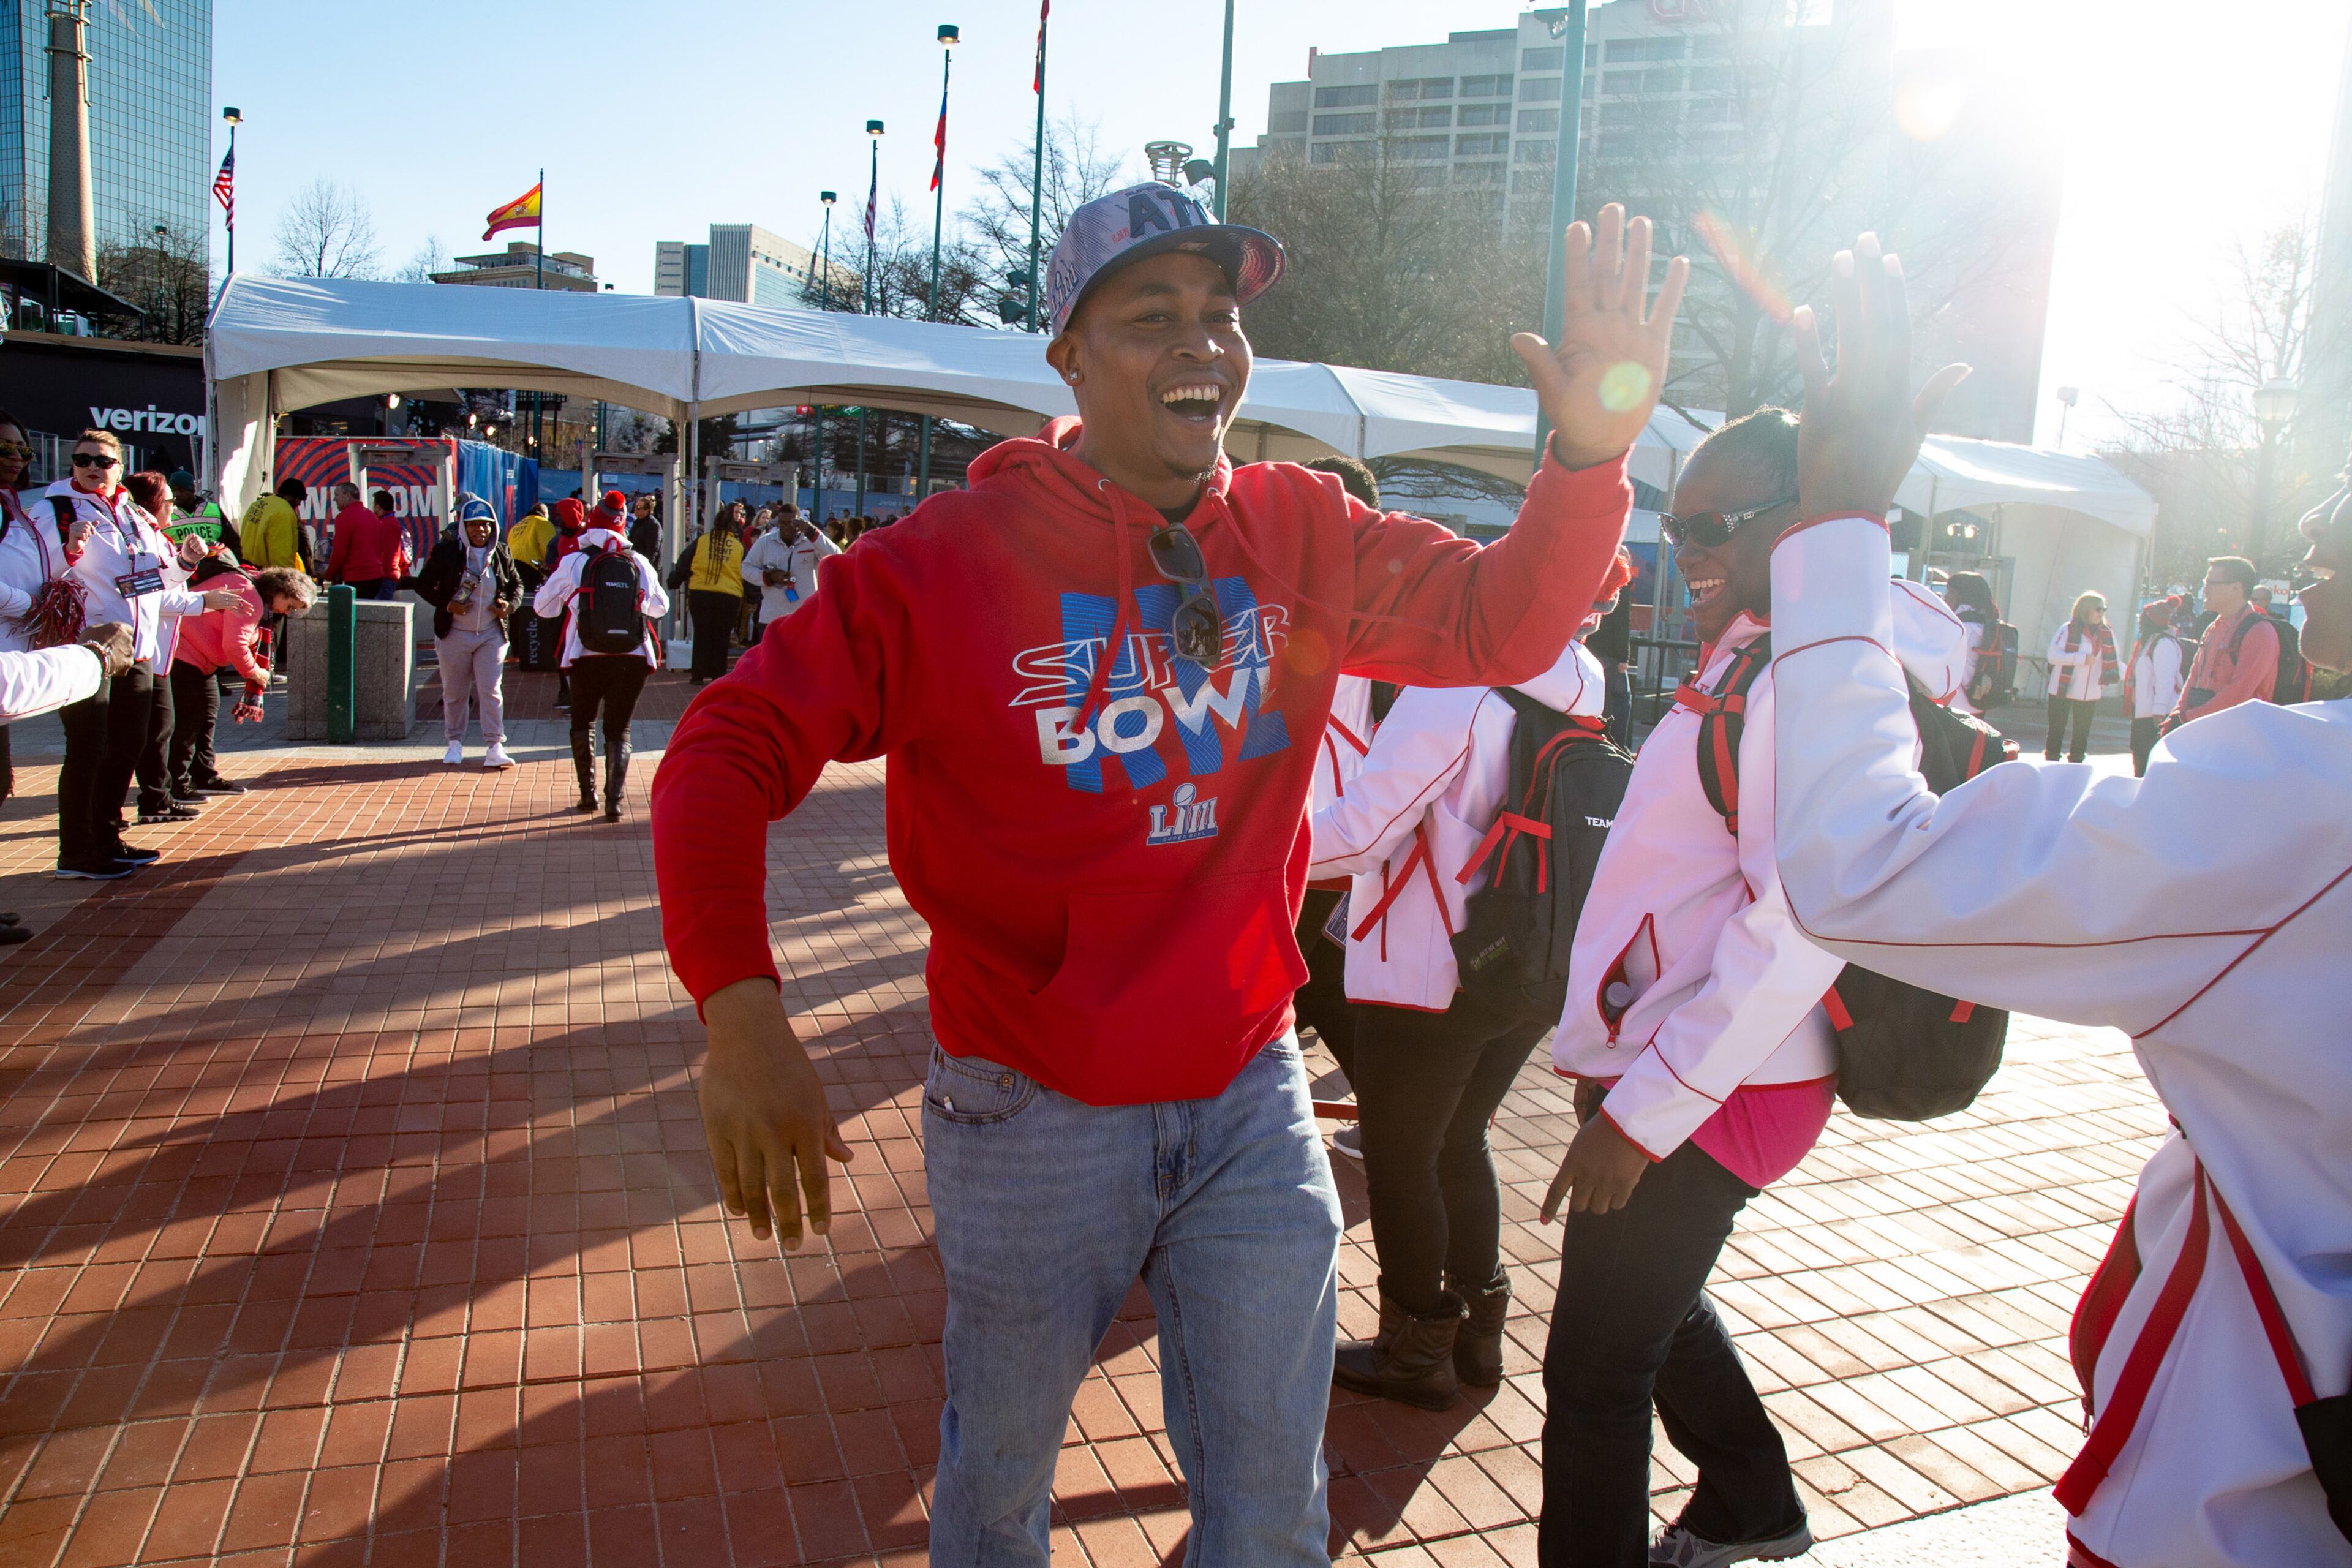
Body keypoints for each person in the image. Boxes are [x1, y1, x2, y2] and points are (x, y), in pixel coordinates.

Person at [652, 189, 1686, 1566]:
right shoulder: (940, 568)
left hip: (1249, 1094)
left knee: (1271, 1514)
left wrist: (1589, 455)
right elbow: (725, 747)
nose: (1204, 344)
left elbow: (1502, 616)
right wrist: (741, 1012)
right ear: (1068, 355)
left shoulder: (1301, 532)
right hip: (1027, 1109)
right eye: (1154, 319)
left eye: (1222, 315)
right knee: (1000, 1485)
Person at [1765, 232, 2352, 1568]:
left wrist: (1842, 521)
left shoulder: (2313, 795)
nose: (2307, 546)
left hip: (2241, 1506)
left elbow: (1861, 864)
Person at [1536, 404, 1967, 1568]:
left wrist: (1643, 1111)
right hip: (1694, 1070)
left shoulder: (1792, 677)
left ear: (1804, 514)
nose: (1690, 554)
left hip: (1717, 1086)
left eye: (1714, 524)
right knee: (1651, 1320)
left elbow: (1801, 920)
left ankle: (1740, 1506)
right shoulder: (1752, 655)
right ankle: (1751, 1502)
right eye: (1679, 527)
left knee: (1591, 1373)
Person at [1310, 551, 1632, 1415]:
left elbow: (1360, 834)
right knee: (1461, 1140)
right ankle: (1479, 1331)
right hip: (1529, 960)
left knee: (1401, 1156)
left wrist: (1245, 842)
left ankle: (1418, 1346)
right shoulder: (1586, 679)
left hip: (1428, 967)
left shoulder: (1458, 688)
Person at [48, 432, 233, 878]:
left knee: (129, 745)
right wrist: (69, 549)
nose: (93, 466)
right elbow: (44, 571)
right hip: (88, 646)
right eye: (83, 459)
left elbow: (148, 579)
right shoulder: (55, 508)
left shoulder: (131, 512)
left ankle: (106, 838)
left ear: (119, 465)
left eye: (104, 460)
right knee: (89, 748)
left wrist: (184, 564)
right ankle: (76, 851)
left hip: (137, 648)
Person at [533, 507, 669, 819]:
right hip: (632, 655)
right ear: (623, 527)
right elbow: (661, 608)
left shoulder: (574, 561)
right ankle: (615, 800)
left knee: (583, 722)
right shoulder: (638, 561)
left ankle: (587, 795)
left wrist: (574, 599)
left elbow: (543, 609)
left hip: (586, 653)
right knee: (619, 728)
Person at [124, 472, 235, 826]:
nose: (175, 506)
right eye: (169, 500)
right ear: (150, 503)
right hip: (136, 651)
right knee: (145, 734)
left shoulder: (151, 535)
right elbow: (139, 591)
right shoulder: (134, 535)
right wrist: (203, 600)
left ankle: (155, 799)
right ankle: (148, 802)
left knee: (157, 730)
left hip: (151, 651)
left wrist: (185, 563)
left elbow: (154, 586)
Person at [170, 562, 312, 802]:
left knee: (204, 715)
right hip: (184, 653)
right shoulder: (252, 597)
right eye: (289, 606)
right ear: (281, 591)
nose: (286, 613)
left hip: (194, 656)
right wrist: (254, 672)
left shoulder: (250, 587)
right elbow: (234, 645)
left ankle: (202, 776)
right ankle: (177, 783)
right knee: (191, 720)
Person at [415, 497, 522, 769]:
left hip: (491, 634)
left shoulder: (501, 552)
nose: (480, 531)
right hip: (454, 634)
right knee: (455, 692)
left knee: (491, 690)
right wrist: (448, 604)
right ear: (463, 526)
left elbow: (517, 585)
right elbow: (424, 584)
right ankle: (454, 743)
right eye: (473, 525)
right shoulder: (447, 552)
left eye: (486, 525)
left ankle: (495, 746)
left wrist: (508, 607)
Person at [2168, 555, 2278, 728]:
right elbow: (2194, 677)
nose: (2205, 590)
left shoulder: (2260, 631)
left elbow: (2238, 693)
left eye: (2211, 584)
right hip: (2201, 728)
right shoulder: (2214, 627)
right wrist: (2178, 714)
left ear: (2236, 588)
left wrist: (2188, 719)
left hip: (2236, 736)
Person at [2043, 589, 2119, 763]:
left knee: (2082, 732)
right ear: (2086, 609)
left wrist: (2130, 674)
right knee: (2056, 729)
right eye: (2098, 609)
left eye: (2104, 610)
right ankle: (2051, 764)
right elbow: (2053, 656)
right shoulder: (2068, 629)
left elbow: (2115, 660)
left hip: (2090, 692)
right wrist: (2081, 659)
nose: (2102, 613)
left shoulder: (2107, 633)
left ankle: (2076, 764)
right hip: (2063, 689)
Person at [680, 505, 746, 685]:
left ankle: (698, 674)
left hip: (701, 592)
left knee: (701, 634)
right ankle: (718, 674)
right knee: (721, 636)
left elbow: (685, 561)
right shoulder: (738, 547)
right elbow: (745, 571)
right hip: (728, 595)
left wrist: (675, 580)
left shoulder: (702, 541)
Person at [2124, 600, 2184, 777]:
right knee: (2140, 760)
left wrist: (2159, 710)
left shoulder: (2164, 644)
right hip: (2142, 713)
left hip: (2155, 716)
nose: (2140, 621)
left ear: (2152, 620)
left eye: (2143, 618)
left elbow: (2165, 681)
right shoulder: (2148, 642)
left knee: (2148, 766)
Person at [325, 485, 409, 600]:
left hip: (357, 578)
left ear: (348, 496)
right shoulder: (372, 516)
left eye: (337, 495)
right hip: (376, 578)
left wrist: (330, 574)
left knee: (356, 615)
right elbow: (379, 549)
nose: (334, 499)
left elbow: (340, 552)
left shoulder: (344, 517)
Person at [1942, 568, 2002, 713]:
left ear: (1962, 595)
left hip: (1955, 704)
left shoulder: (1962, 627)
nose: (1946, 597)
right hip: (1979, 701)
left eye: (1951, 592)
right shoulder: (1987, 624)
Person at [2250, 583, 2312, 703]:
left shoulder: (2278, 621)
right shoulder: (2245, 619)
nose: (2252, 602)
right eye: (2251, 598)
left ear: (2267, 601)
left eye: (2254, 599)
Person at [628, 492, 662, 562]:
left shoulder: (653, 525)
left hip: (646, 565)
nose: (635, 509)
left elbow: (653, 550)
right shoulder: (637, 522)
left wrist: (647, 565)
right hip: (635, 561)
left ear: (647, 510)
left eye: (638, 508)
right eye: (635, 507)